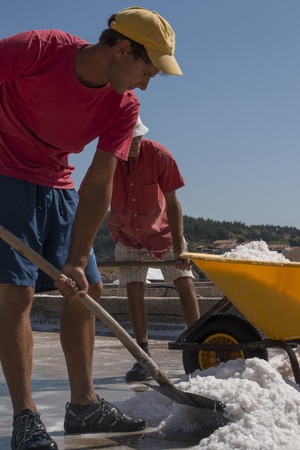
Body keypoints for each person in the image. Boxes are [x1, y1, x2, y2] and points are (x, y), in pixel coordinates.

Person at [0, 7, 182, 450]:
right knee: (16, 292)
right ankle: (26, 415)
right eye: (146, 70)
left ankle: (83, 405)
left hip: (56, 179)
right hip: (5, 170)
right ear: (121, 49)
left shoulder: (123, 105)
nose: (145, 82)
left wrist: (78, 260)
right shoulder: (36, 49)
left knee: (87, 289)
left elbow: (99, 181)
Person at [108, 116, 201, 381]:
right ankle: (142, 356)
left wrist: (180, 247)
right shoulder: (109, 160)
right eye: (129, 139)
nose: (135, 144)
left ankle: (195, 346)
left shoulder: (159, 155)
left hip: (162, 232)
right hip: (126, 233)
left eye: (138, 137)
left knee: (184, 282)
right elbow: (93, 197)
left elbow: (173, 203)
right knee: (134, 291)